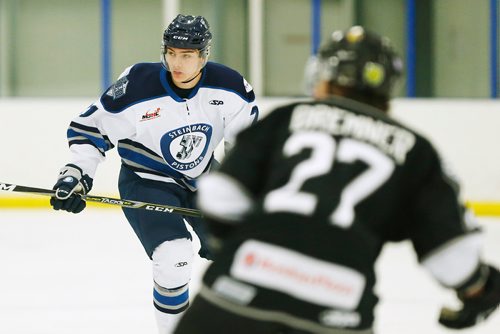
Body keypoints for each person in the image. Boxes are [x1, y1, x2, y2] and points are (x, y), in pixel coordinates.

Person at [174, 26, 500, 334]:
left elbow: (221, 197)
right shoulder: (416, 151)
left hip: (236, 294)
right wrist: (478, 288)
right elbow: (451, 258)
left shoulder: (286, 119)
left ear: (324, 76)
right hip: (337, 310)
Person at [49, 14, 259, 333]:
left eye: (187, 55)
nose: (177, 62)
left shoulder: (230, 87)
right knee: (174, 257)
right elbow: (90, 130)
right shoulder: (137, 85)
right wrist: (76, 173)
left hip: (206, 181)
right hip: (146, 181)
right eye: (171, 52)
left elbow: (246, 148)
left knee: (245, 254)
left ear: (204, 55)